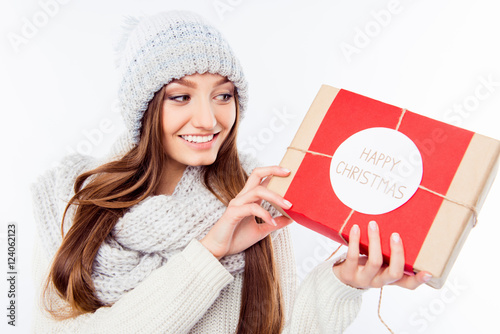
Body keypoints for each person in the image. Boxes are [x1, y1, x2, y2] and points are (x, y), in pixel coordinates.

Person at [30, 10, 431, 333]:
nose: (207, 119)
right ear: (144, 109)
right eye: (181, 96)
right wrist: (210, 253)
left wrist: (341, 284)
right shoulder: (72, 200)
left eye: (223, 95)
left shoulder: (254, 199)